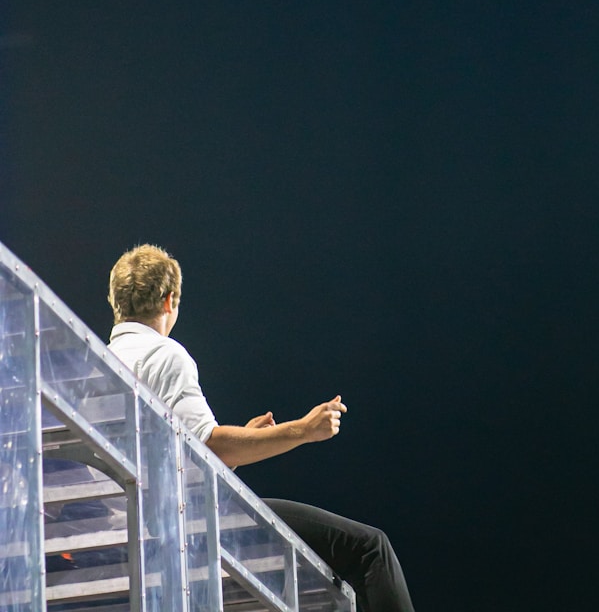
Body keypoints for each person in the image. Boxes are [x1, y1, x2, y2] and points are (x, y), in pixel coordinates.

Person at [107, 244, 415, 612]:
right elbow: (212, 446)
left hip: (133, 528)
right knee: (369, 549)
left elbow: (177, 462)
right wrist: (304, 429)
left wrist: (245, 437)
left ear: (115, 302)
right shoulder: (164, 353)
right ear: (169, 300)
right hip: (184, 523)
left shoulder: (103, 364)